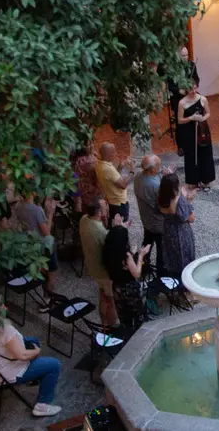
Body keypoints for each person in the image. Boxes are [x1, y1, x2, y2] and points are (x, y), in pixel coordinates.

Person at [0, 295, 63, 417]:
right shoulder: (5, 330)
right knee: (54, 365)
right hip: (5, 374)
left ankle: (35, 376)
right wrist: (36, 351)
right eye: (2, 305)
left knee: (32, 340)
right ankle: (42, 406)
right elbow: (22, 355)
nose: (5, 307)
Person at [102, 219, 151, 333]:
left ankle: (128, 337)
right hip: (130, 289)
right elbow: (136, 273)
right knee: (138, 315)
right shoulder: (126, 256)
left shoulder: (108, 252)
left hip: (117, 288)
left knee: (125, 318)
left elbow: (121, 265)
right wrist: (140, 256)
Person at [12, 193, 59, 309]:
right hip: (44, 245)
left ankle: (47, 297)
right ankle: (48, 300)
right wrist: (50, 213)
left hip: (30, 245)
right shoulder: (37, 210)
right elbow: (47, 232)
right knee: (51, 272)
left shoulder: (18, 206)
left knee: (43, 271)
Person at [79, 199, 116, 327]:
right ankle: (112, 326)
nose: (107, 206)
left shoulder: (84, 219)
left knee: (102, 294)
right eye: (105, 206)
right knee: (110, 299)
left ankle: (104, 324)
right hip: (104, 271)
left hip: (92, 266)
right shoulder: (101, 233)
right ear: (99, 212)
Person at [176, 85, 216, 190]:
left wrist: (202, 119)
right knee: (191, 156)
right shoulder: (182, 103)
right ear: (186, 89)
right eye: (190, 89)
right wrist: (191, 118)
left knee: (205, 155)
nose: (193, 91)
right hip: (189, 132)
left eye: (194, 88)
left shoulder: (203, 99)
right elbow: (180, 120)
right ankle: (194, 181)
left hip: (202, 130)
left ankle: (206, 180)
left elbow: (208, 113)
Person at [157, 173, 196, 277]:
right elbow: (191, 218)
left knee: (172, 256)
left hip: (168, 231)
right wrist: (189, 201)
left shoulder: (160, 197)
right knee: (184, 256)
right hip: (181, 232)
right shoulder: (179, 200)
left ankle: (173, 277)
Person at [133, 155, 165, 258]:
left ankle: (142, 265)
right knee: (161, 249)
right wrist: (168, 180)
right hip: (158, 223)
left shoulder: (138, 176)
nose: (160, 167)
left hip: (146, 219)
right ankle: (161, 272)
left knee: (147, 242)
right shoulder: (155, 186)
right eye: (158, 165)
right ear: (153, 169)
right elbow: (163, 206)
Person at [96, 142, 135, 221]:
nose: (116, 153)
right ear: (109, 154)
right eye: (114, 152)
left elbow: (113, 179)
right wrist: (132, 171)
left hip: (111, 200)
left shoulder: (100, 164)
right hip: (118, 203)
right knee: (121, 226)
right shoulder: (108, 168)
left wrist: (120, 168)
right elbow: (123, 185)